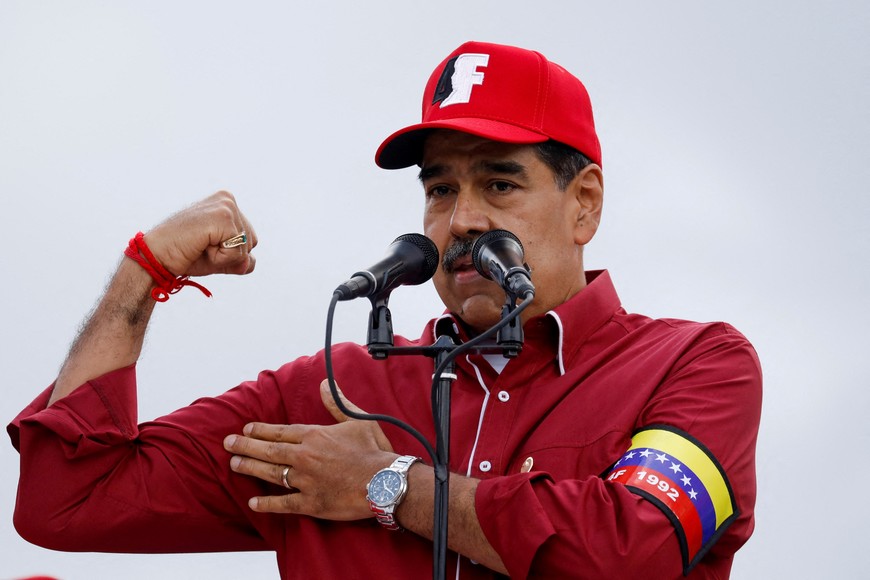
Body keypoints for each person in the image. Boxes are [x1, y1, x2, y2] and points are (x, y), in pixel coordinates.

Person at [8, 41, 761, 579]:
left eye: (499, 185)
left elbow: (629, 553)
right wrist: (142, 274)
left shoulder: (698, 363)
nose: (461, 220)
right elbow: (66, 501)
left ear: (584, 205)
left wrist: (388, 486)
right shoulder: (330, 394)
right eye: (439, 189)